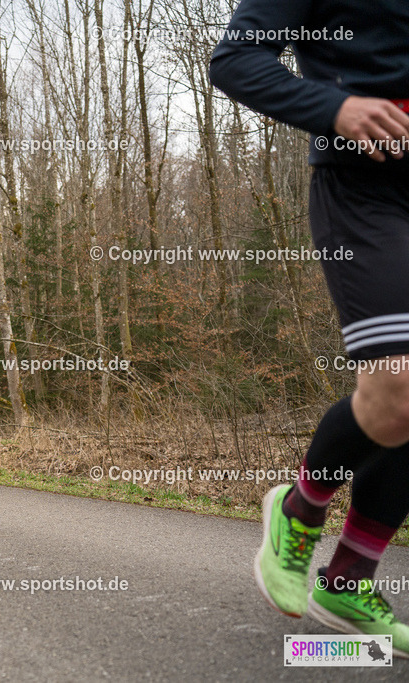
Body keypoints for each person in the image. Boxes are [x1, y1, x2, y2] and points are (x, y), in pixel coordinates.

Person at [209, 1, 409, 656]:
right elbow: (236, 60)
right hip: (367, 189)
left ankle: (348, 579)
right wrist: (337, 108)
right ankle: (299, 509)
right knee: (398, 389)